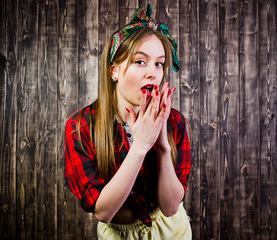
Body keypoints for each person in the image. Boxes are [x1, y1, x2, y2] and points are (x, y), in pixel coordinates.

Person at [64, 4, 191, 239]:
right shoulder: (80, 127)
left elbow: (171, 207)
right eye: (140, 62)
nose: (153, 72)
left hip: (172, 231)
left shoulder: (174, 121)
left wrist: (162, 145)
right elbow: (103, 211)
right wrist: (140, 146)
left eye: (159, 63)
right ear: (114, 70)